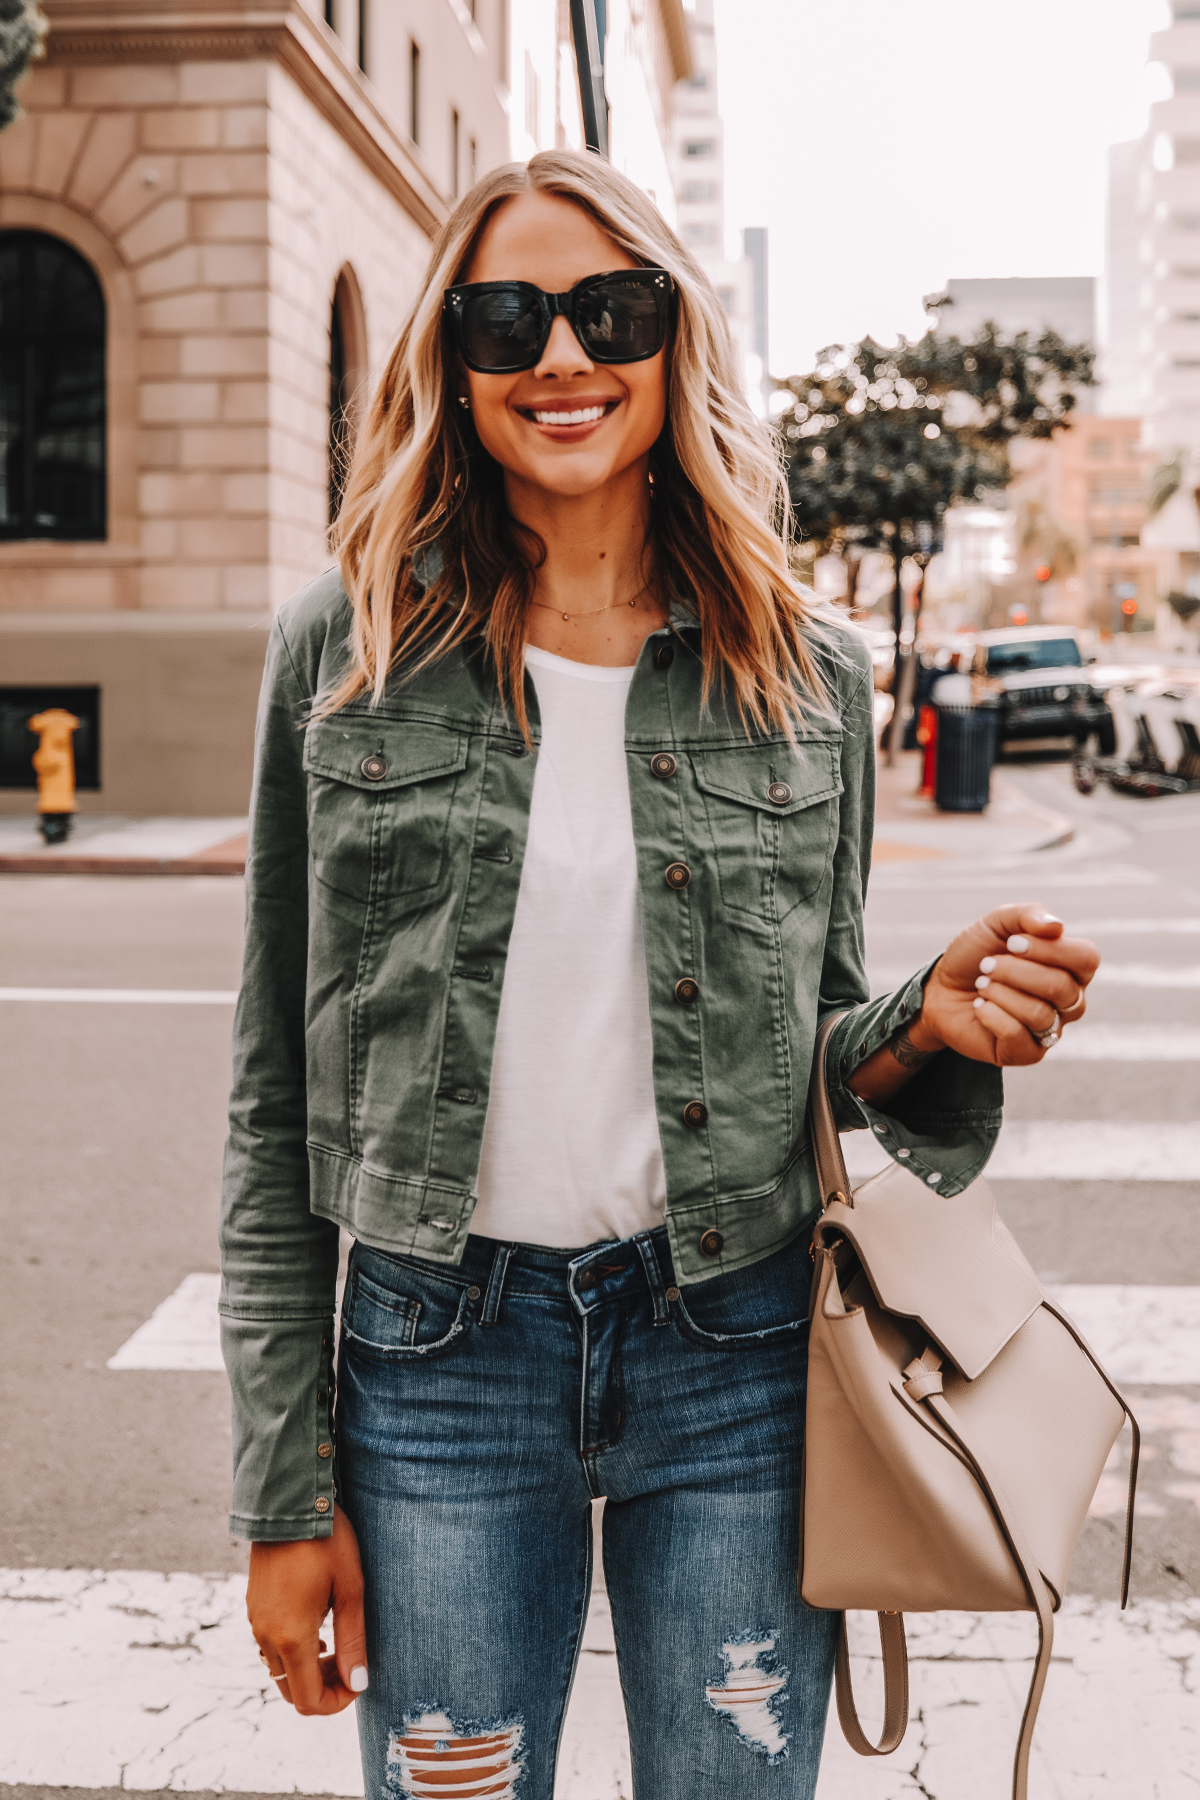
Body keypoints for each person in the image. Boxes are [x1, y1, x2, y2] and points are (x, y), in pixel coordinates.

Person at [220, 151, 1099, 1800]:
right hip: (439, 1364)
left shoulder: (807, 668)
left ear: (672, 338)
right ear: (452, 361)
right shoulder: (341, 658)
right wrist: (284, 1490)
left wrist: (927, 1025)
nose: (562, 356)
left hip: (738, 1361)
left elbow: (808, 1054)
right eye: (508, 318)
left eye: (607, 309)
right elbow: (276, 1088)